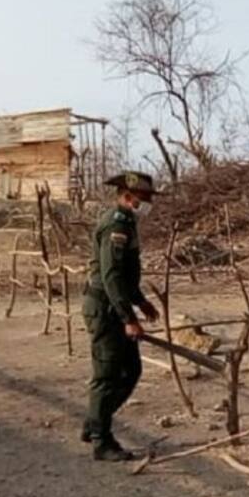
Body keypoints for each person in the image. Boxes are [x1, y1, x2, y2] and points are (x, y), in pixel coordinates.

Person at [81, 171, 159, 461]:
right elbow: (111, 276)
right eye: (144, 198)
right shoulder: (116, 225)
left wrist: (141, 302)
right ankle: (102, 440)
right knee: (108, 375)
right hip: (105, 309)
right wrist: (129, 319)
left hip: (116, 305)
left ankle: (94, 421)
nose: (148, 203)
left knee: (131, 370)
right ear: (128, 196)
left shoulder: (128, 223)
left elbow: (126, 277)